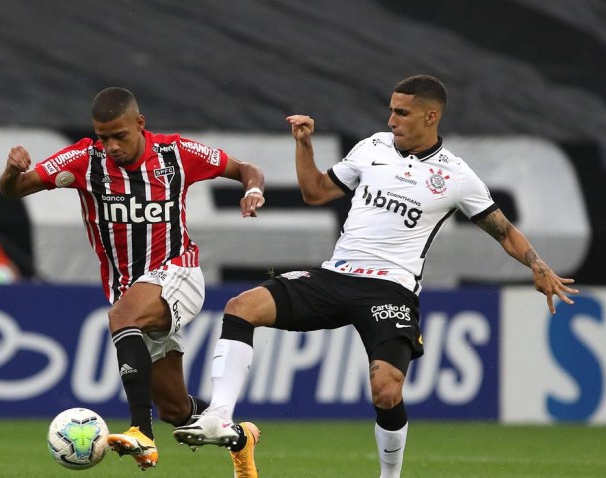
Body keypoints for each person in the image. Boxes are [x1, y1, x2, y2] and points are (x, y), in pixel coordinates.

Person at [173, 75, 579, 477]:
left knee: (386, 391)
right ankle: (219, 416)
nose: (391, 120)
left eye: (402, 113)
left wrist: (537, 264)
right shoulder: (371, 148)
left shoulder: (455, 176)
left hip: (391, 289)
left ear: (430, 116)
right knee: (241, 307)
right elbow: (315, 192)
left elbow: (504, 230)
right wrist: (304, 145)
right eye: (390, 110)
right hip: (338, 275)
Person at [0, 87, 265, 475]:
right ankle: (242, 438)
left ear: (140, 124)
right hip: (134, 290)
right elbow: (15, 190)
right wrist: (10, 171)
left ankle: (141, 431)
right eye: (102, 137)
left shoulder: (176, 154)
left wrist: (253, 190)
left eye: (119, 136)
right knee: (176, 408)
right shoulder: (84, 161)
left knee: (121, 318)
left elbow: (245, 169)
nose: (110, 146)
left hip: (180, 272)